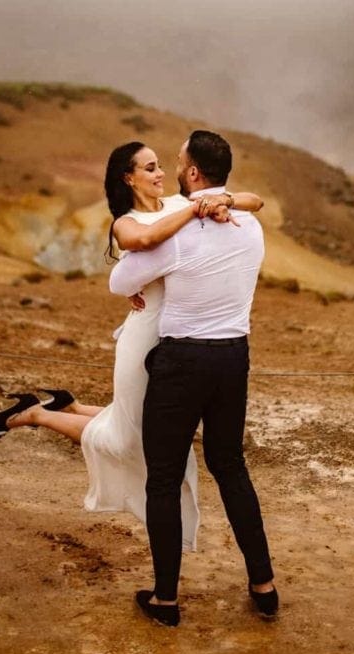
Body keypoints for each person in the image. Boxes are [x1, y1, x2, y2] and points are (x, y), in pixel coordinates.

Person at [0, 140, 263, 554]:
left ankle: (67, 406)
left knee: (140, 425)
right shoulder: (126, 221)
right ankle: (36, 415)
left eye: (161, 166)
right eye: (150, 168)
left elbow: (252, 199)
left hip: (177, 341)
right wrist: (196, 211)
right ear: (128, 177)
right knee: (128, 438)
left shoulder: (175, 203)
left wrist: (217, 201)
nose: (159, 174)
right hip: (149, 340)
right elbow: (138, 253)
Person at [109, 130, 277, 627]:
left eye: (178, 162)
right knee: (231, 467)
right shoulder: (250, 227)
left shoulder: (177, 232)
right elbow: (250, 204)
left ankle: (166, 599)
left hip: (182, 362)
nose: (174, 170)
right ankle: (264, 587)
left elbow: (121, 280)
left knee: (162, 479)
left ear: (194, 173)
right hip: (234, 357)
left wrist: (143, 281)